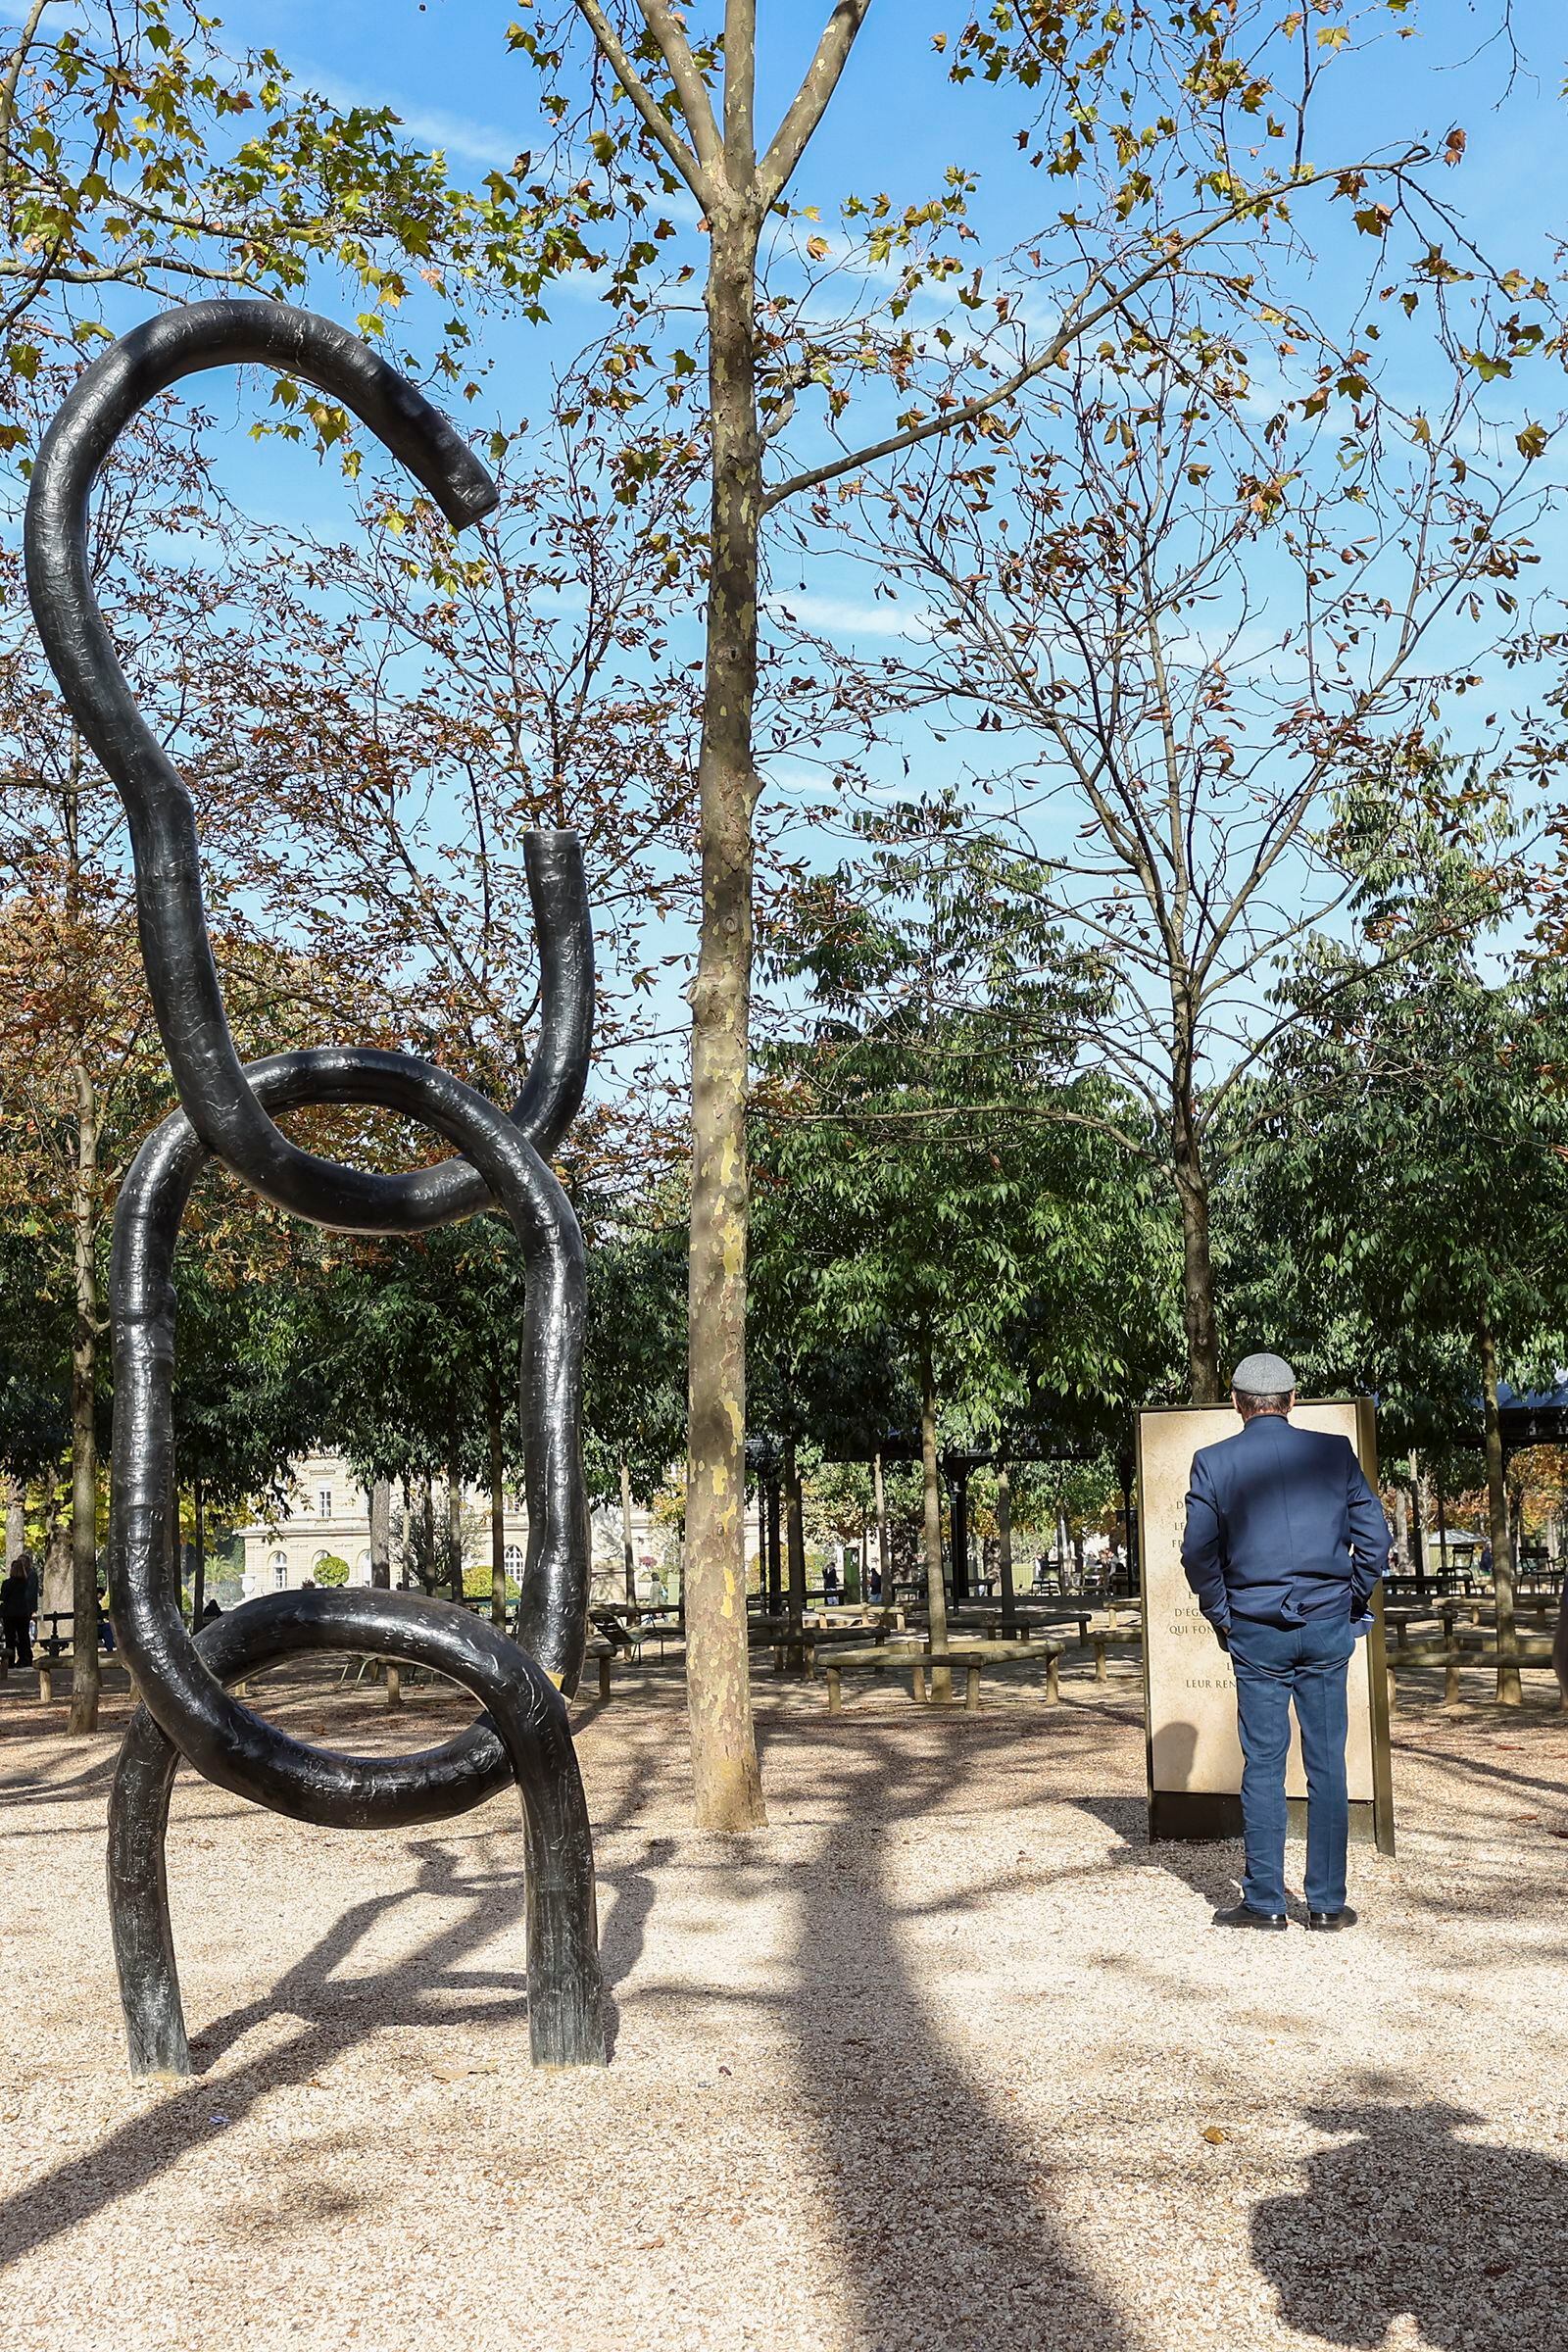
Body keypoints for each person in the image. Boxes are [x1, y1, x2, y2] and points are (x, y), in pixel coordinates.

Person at [1181, 1351, 1390, 1934]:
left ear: (1236, 1403)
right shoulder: (1332, 1453)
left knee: (1264, 1762)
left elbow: (1197, 1553)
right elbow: (1376, 1540)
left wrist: (1223, 1614)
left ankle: (1266, 1900)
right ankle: (1325, 1902)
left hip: (1256, 1629)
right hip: (1325, 1625)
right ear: (1292, 1400)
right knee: (1327, 1763)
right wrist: (1349, 1601)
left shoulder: (1213, 1461)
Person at [2, 1555, 34, 1669]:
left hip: (10, 1614)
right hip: (22, 1613)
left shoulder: (7, 1584)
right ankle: (25, 1659)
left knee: (10, 1638)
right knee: (23, 1637)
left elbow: (4, 1597)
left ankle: (9, 1662)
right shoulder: (25, 1583)